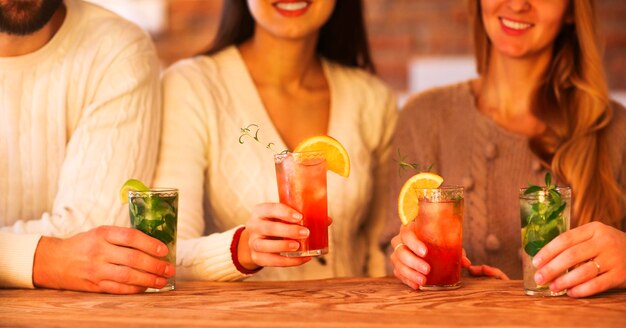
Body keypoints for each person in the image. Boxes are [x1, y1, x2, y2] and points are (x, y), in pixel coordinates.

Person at [386, 0, 626, 297]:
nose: (516, 4)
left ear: (572, 11)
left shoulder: (616, 130)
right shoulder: (423, 117)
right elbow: (389, 250)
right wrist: (406, 256)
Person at [154, 0, 397, 281]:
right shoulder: (192, 87)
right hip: (240, 322)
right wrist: (242, 248)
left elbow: (381, 256)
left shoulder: (373, 100)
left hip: (355, 319)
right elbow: (165, 252)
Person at [0, 0, 173, 293]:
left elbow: (96, 240)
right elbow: (72, 254)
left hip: (77, 321)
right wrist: (45, 258)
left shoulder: (117, 49)